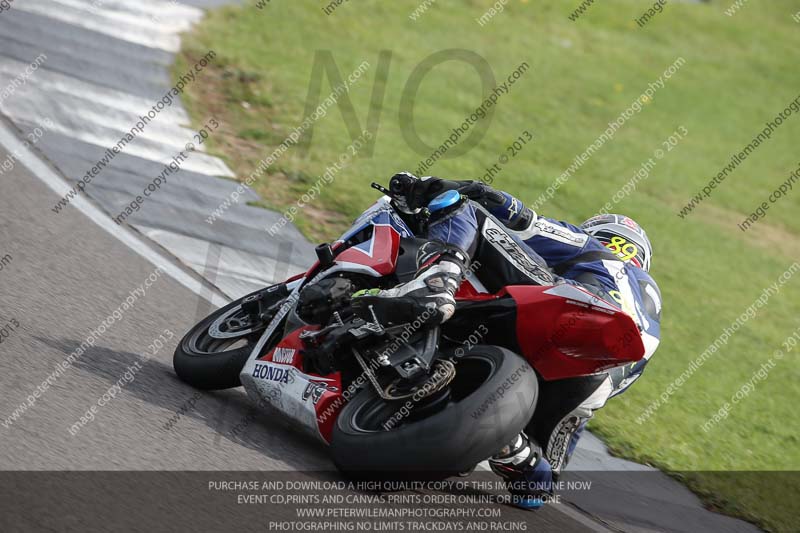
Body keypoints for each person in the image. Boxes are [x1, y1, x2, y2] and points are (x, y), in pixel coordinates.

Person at [353, 172, 662, 509]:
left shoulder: (595, 248)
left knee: (466, 210)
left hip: (574, 308)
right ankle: (513, 447)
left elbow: (525, 221)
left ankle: (439, 284)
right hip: (592, 380)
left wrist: (468, 188)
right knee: (537, 488)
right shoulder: (650, 317)